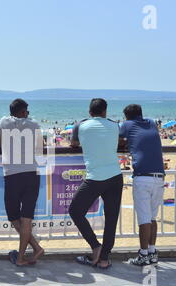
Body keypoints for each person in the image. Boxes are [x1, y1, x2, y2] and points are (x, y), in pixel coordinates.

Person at [69, 98, 124, 269]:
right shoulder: (115, 125)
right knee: (111, 218)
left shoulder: (80, 125)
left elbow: (73, 143)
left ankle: (95, 246)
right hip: (115, 176)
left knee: (75, 211)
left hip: (95, 177)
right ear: (105, 111)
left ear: (89, 111)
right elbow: (120, 141)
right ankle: (104, 259)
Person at [0, 99, 44, 266]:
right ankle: (33, 249)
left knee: (14, 216)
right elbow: (40, 147)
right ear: (24, 112)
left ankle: (24, 255)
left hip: (12, 174)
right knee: (26, 218)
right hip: (32, 174)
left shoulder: (3, 122)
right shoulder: (35, 124)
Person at [119, 104, 165, 266]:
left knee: (144, 219)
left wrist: (125, 145)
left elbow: (117, 140)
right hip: (159, 176)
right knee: (152, 218)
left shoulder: (127, 125)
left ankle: (143, 254)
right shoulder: (151, 123)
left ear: (126, 116)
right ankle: (152, 252)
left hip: (142, 176)